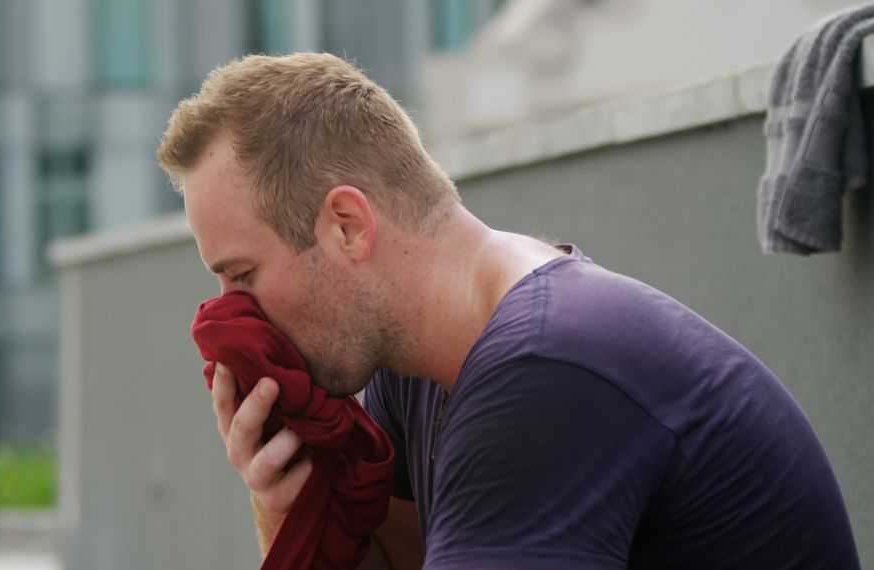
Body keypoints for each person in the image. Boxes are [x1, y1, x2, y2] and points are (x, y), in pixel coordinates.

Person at [156, 52, 860, 569]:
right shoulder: (419, 364)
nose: (231, 318)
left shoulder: (546, 371)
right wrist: (291, 498)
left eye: (243, 275)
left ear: (346, 226)